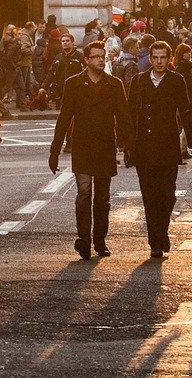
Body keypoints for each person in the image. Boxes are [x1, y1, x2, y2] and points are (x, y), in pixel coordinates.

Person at [50, 40, 133, 259]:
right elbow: (64, 117)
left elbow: (124, 117)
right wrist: (54, 150)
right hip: (83, 146)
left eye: (102, 56)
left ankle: (100, 239)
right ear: (86, 60)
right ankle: (84, 239)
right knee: (84, 193)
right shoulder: (73, 84)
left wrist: (129, 147)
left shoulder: (114, 84)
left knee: (102, 197)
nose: (100, 59)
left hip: (106, 146)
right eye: (95, 56)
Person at [125, 40, 192, 259]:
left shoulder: (176, 80)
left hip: (167, 145)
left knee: (167, 195)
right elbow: (129, 115)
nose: (158, 61)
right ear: (150, 58)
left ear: (169, 58)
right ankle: (156, 241)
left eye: (162, 57)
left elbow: (185, 110)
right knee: (149, 196)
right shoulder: (139, 81)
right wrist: (128, 145)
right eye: (154, 57)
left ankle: (162, 231)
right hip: (144, 147)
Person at [36, 33, 83, 111]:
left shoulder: (79, 57)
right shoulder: (58, 58)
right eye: (63, 41)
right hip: (60, 92)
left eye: (67, 41)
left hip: (76, 91)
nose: (65, 43)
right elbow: (51, 73)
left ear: (72, 43)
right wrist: (43, 87)